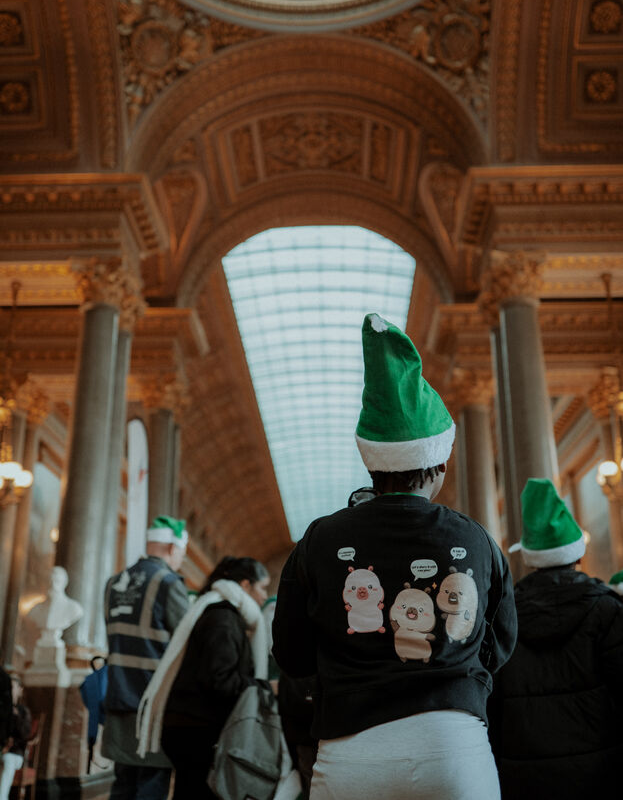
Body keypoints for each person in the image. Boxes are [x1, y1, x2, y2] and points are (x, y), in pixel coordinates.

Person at [272, 312, 517, 800]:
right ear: (440, 463)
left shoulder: (318, 539)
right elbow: (501, 640)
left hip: (349, 750)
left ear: (372, 463)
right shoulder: (475, 539)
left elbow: (291, 653)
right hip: (455, 745)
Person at [488, 477, 623, 799]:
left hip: (524, 777)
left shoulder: (503, 618)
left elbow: (492, 704)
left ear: (529, 557)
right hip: (601, 772)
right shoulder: (607, 611)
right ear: (578, 555)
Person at [136, 555, 271, 799]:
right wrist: (265, 686)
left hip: (187, 724)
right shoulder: (224, 619)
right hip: (197, 729)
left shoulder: (219, 613)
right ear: (245, 585)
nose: (264, 596)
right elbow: (219, 680)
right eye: (262, 587)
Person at [102, 515, 190, 800]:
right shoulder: (168, 583)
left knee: (123, 785)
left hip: (118, 698)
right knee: (151, 786)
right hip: (153, 706)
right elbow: (187, 643)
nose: (181, 560)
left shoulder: (114, 583)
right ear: (172, 548)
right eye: (182, 553)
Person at [0, 673, 32, 800]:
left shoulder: (23, 711)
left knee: (8, 760)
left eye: (12, 687)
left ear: (20, 690)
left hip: (14, 753)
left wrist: (16, 716)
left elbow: (25, 735)